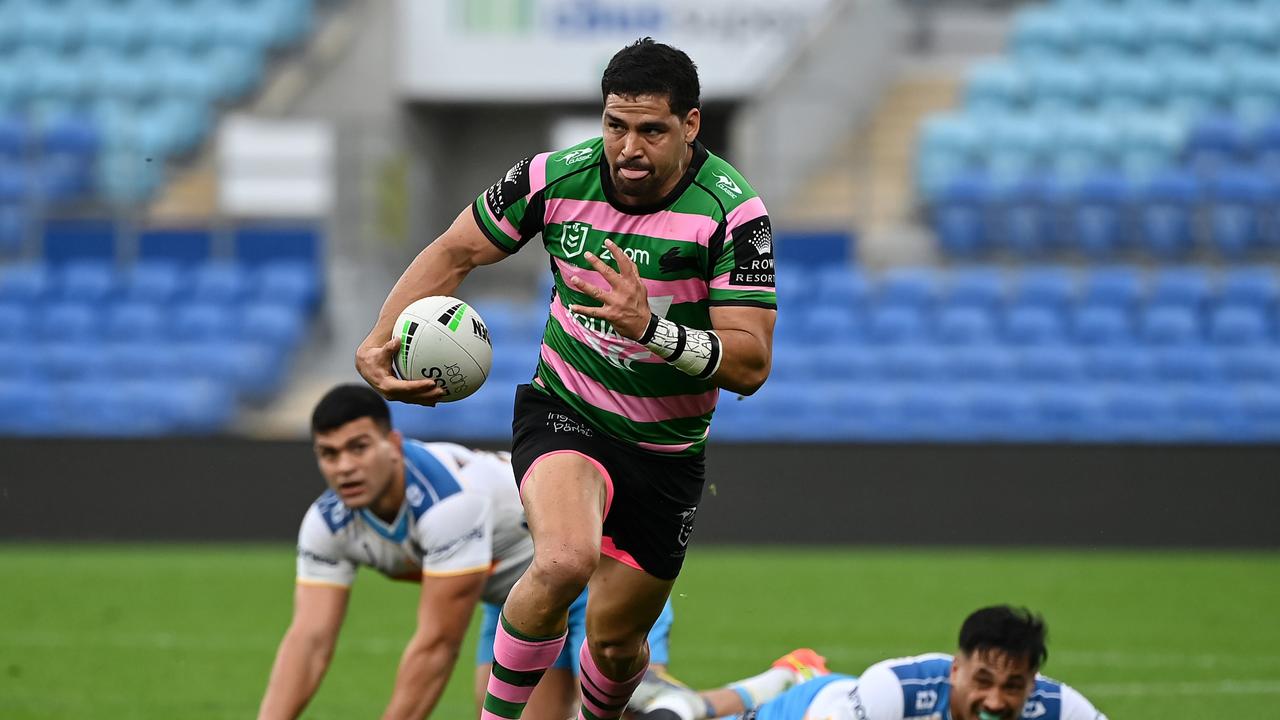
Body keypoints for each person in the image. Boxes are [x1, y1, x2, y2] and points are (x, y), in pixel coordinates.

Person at [355, 37, 777, 720]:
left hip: (666, 452)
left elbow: (752, 364)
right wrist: (379, 338)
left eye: (651, 130)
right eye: (615, 125)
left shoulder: (734, 212)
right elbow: (456, 250)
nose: (628, 147)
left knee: (617, 648)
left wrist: (652, 331)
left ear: (690, 124)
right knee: (561, 561)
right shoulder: (552, 177)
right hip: (566, 410)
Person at [256, 384, 674, 720]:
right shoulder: (326, 522)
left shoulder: (448, 503)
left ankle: (735, 705)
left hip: (598, 578)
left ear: (393, 444)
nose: (344, 466)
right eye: (329, 454)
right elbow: (309, 641)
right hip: (517, 602)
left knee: (641, 713)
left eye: (358, 447)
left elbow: (437, 646)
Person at [633, 606, 1108, 720]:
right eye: (983, 680)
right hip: (811, 710)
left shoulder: (1056, 706)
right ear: (955, 670)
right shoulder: (898, 689)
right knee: (673, 712)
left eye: (1013, 687)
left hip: (844, 693)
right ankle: (786, 676)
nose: (995, 700)